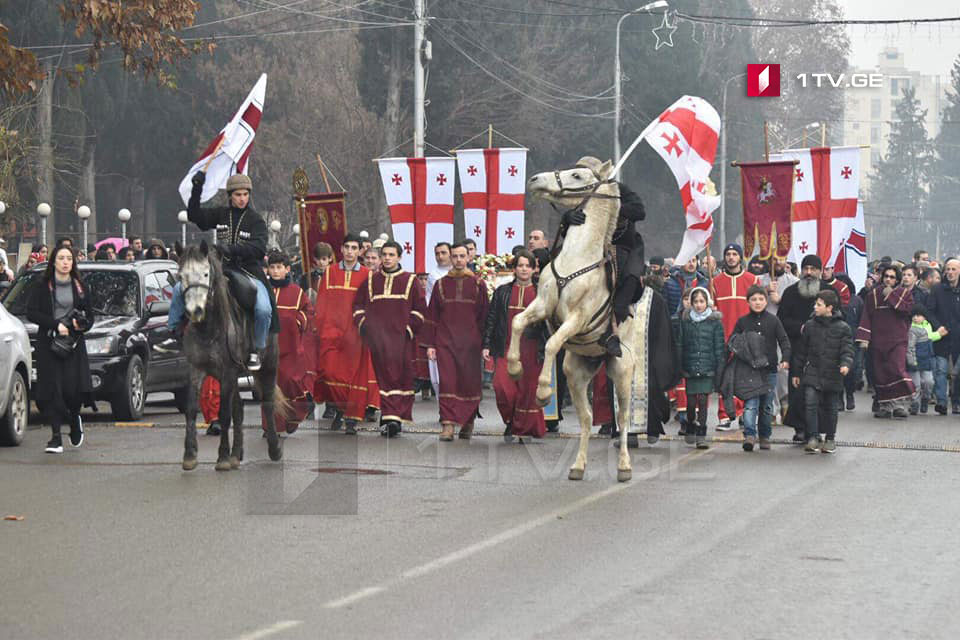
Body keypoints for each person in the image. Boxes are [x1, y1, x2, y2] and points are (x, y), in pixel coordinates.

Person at [159, 172, 277, 370]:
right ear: (230, 195)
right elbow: (195, 216)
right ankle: (173, 334)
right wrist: (197, 188)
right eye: (238, 194)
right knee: (181, 287)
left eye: (245, 194)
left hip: (249, 271)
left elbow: (259, 248)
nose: (242, 198)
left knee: (264, 309)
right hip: (221, 269)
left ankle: (258, 348)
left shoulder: (256, 220)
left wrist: (233, 249)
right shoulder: (221, 214)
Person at [559, 156, 647, 357]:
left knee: (629, 277)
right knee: (554, 264)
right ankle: (546, 321)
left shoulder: (619, 189)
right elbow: (568, 233)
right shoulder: (578, 196)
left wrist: (609, 205)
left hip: (624, 247)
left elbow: (640, 211)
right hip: (590, 250)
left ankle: (612, 332)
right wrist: (567, 219)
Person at [353, 241, 427, 437]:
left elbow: (420, 310)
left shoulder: (411, 281)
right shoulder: (370, 281)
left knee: (401, 378)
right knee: (383, 377)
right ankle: (389, 417)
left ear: (399, 257)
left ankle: (396, 418)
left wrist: (408, 331)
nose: (387, 258)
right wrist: (366, 328)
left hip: (401, 340)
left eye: (391, 254)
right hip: (378, 340)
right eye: (384, 254)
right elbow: (358, 307)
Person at [26, 245, 94, 454]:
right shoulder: (42, 285)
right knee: (53, 390)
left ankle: (74, 418)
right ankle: (55, 437)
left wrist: (79, 325)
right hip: (49, 345)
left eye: (69, 259)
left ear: (73, 263)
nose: (65, 262)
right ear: (53, 261)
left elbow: (90, 318)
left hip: (73, 346)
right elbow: (32, 313)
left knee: (72, 391)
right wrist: (55, 325)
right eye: (61, 258)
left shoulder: (80, 286)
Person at [423, 243, 489, 441]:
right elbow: (432, 316)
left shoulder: (478, 284)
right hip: (445, 342)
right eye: (455, 256)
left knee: (468, 383)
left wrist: (484, 344)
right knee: (448, 383)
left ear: (469, 257)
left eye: (462, 256)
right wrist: (430, 345)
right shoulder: (441, 284)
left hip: (470, 343)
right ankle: (448, 424)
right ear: (450, 258)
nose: (459, 260)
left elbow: (484, 316)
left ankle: (468, 422)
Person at [313, 233, 376, 434]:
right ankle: (340, 408)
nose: (350, 251)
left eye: (354, 248)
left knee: (355, 377)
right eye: (346, 247)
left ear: (360, 251)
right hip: (332, 333)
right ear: (340, 250)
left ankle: (350, 419)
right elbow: (322, 302)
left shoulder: (368, 275)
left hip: (356, 334)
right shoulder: (330, 273)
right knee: (329, 371)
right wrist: (321, 329)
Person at [482, 249, 546, 442]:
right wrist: (486, 345)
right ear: (514, 268)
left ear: (534, 268)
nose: (524, 269)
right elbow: (492, 319)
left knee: (528, 391)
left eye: (528, 265)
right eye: (520, 265)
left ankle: (521, 429)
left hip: (532, 349)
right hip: (506, 347)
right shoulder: (503, 291)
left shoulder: (542, 293)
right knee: (502, 387)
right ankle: (511, 420)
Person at [778, 254, 832, 440]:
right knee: (797, 389)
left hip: (822, 351)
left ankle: (817, 430)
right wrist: (799, 327)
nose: (809, 273)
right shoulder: (791, 292)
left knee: (820, 392)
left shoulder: (827, 292)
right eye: (806, 269)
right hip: (797, 348)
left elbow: (838, 318)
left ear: (820, 270)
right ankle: (800, 428)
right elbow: (782, 319)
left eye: (813, 269)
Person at [729, 285, 790, 451]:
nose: (757, 302)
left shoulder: (773, 320)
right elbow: (733, 341)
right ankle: (749, 434)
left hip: (769, 370)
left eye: (761, 299)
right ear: (748, 302)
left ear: (766, 300)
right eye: (754, 299)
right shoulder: (743, 322)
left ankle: (764, 436)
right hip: (749, 370)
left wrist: (785, 358)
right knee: (750, 403)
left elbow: (784, 340)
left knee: (767, 405)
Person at [791, 289, 853, 453]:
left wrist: (845, 364)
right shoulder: (810, 326)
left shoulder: (843, 328)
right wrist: (797, 372)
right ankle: (813, 437)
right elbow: (801, 351)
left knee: (831, 407)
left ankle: (830, 438)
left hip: (834, 373)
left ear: (829, 307)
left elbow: (847, 350)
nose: (815, 307)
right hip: (813, 372)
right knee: (810, 403)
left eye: (819, 304)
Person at [857, 264, 915, 419]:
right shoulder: (873, 295)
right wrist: (864, 338)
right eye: (886, 276)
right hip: (878, 341)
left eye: (892, 277)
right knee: (881, 374)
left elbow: (906, 310)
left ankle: (900, 405)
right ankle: (885, 406)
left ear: (897, 280)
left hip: (898, 340)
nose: (888, 280)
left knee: (896, 370)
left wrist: (891, 295)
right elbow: (866, 316)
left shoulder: (904, 293)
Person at [710, 242, 758, 430]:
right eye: (728, 254)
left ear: (740, 257)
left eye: (734, 254)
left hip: (745, 338)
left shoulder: (752, 280)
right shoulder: (715, 283)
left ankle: (743, 414)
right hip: (723, 338)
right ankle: (724, 416)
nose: (731, 257)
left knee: (745, 378)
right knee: (724, 378)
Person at [267, 250, 314, 434]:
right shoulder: (264, 289)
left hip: (291, 348)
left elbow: (307, 311)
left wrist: (297, 321)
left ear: (287, 269)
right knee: (270, 385)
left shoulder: (297, 292)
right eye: (272, 267)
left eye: (279, 267)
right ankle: (271, 425)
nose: (276, 271)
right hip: (268, 347)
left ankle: (293, 416)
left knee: (290, 382)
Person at [675, 287, 725, 449]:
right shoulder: (685, 320)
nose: (698, 305)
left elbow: (719, 347)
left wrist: (719, 367)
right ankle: (690, 422)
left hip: (707, 366)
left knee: (703, 401)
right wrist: (680, 365)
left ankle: (701, 434)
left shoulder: (715, 322)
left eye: (701, 301)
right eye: (695, 301)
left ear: (707, 302)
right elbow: (680, 343)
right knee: (690, 403)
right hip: (690, 366)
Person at [925, 257, 960, 415]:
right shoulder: (937, 289)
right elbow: (929, 311)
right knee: (940, 370)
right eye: (948, 269)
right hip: (942, 335)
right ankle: (941, 402)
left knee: (957, 372)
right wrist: (938, 327)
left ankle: (956, 402)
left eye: (954, 269)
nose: (950, 272)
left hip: (958, 336)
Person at [907, 305, 942, 415]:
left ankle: (925, 398)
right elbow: (910, 346)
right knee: (916, 384)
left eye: (918, 315)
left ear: (924, 317)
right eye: (914, 316)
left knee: (929, 382)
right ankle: (914, 404)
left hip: (926, 359)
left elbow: (929, 336)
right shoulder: (910, 328)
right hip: (915, 359)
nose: (915, 318)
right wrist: (912, 361)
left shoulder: (928, 325)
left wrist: (939, 334)